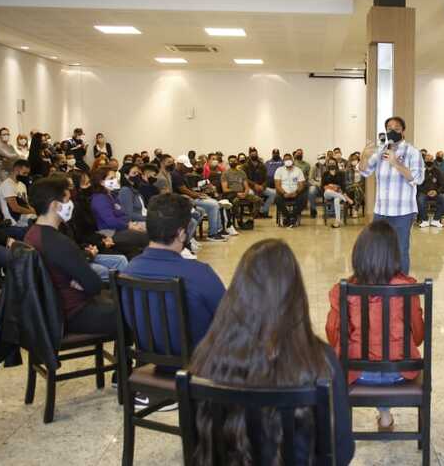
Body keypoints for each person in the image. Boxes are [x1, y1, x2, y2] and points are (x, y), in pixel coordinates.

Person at [188, 239, 354, 466]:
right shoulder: (320, 361)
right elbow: (342, 452)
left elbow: (197, 445)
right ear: (296, 295)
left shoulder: (207, 357)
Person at [325, 221, 424, 434]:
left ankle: (375, 419)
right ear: (394, 254)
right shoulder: (409, 288)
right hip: (401, 371)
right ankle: (385, 416)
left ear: (358, 253)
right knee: (387, 354)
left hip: (358, 373)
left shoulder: (343, 290)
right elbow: (418, 335)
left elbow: (333, 336)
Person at [125, 193, 226, 361]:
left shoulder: (128, 269)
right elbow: (228, 319)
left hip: (150, 360)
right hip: (199, 364)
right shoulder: (199, 273)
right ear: (181, 234)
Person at [25, 176, 117, 336]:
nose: (71, 204)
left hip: (50, 310)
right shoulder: (58, 241)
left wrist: (79, 281)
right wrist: (81, 282)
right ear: (55, 205)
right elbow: (94, 285)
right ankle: (128, 359)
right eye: (67, 200)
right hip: (73, 313)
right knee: (136, 310)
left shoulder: (31, 234)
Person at [358, 116, 424, 274]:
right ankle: (381, 281)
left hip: (403, 212)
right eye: (389, 128)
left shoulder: (412, 152)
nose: (392, 131)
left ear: (403, 131)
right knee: (378, 249)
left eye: (396, 128)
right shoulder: (381, 151)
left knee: (400, 250)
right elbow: (364, 171)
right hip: (381, 211)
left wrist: (396, 163)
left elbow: (417, 178)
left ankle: (401, 287)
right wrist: (364, 156)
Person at [89, 168, 150, 252]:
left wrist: (130, 223)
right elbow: (111, 222)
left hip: (121, 228)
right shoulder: (99, 199)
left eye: (115, 177)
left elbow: (123, 214)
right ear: (102, 182)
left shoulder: (111, 195)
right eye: (111, 178)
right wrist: (129, 225)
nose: (115, 180)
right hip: (109, 232)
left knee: (148, 230)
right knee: (144, 237)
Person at [172, 155, 227, 241]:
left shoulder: (181, 174)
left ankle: (218, 230)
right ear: (179, 164)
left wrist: (199, 193)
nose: (187, 169)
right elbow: (183, 190)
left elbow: (188, 189)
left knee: (216, 203)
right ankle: (212, 234)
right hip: (184, 199)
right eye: (185, 166)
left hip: (190, 197)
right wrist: (197, 195)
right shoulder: (175, 175)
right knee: (213, 205)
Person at [0, 159, 36, 237]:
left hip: (25, 219)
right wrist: (32, 211)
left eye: (27, 174)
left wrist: (33, 210)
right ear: (16, 170)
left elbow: (26, 203)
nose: (26, 176)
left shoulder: (22, 185)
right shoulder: (7, 185)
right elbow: (14, 208)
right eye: (24, 173)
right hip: (14, 222)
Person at [220, 158, 261, 227]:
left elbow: (246, 186)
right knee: (235, 202)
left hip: (243, 193)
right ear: (229, 163)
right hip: (232, 194)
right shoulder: (225, 174)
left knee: (258, 200)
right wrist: (236, 193)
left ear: (237, 162)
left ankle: (251, 219)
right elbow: (225, 189)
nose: (233, 162)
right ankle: (239, 220)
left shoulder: (242, 173)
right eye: (231, 161)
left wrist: (245, 193)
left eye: (234, 161)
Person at [274, 153, 307, 227]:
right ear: (283, 161)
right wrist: (284, 193)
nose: (288, 160)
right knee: (276, 198)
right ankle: (288, 216)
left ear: (292, 160)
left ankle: (292, 216)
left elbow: (302, 184)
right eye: (286, 159)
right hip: (283, 194)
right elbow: (277, 185)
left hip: (296, 193)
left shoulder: (298, 170)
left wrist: (296, 192)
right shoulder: (279, 170)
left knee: (304, 198)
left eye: (289, 159)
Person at [416, 153, 444, 228]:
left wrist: (436, 191)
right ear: (424, 161)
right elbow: (418, 185)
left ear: (433, 160)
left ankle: (436, 220)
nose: (429, 161)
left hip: (436, 193)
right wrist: (427, 192)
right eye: (427, 160)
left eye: (430, 159)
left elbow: (442, 184)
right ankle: (425, 220)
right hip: (424, 193)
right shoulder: (421, 171)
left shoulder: (437, 171)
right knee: (420, 200)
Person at [322, 157, 354, 228]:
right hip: (328, 193)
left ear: (336, 164)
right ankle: (346, 198)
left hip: (338, 191)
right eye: (330, 163)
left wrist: (336, 187)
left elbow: (343, 185)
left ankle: (337, 221)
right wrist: (331, 186)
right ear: (328, 164)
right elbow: (323, 186)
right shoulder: (325, 174)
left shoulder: (341, 173)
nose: (331, 164)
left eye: (333, 163)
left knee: (336, 200)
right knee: (327, 191)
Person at [244, 150, 275, 218]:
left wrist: (263, 186)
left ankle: (262, 211)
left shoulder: (262, 165)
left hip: (261, 187)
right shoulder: (245, 166)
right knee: (251, 194)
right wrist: (254, 185)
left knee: (273, 194)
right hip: (250, 187)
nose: (254, 155)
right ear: (249, 155)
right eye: (252, 154)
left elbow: (266, 178)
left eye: (255, 154)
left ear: (257, 154)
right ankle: (253, 213)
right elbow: (245, 178)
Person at [308, 153, 326, 218]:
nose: (322, 159)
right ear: (318, 159)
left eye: (324, 158)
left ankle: (329, 211)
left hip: (326, 186)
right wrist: (317, 184)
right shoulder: (314, 167)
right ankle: (313, 209)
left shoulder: (328, 167)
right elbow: (310, 179)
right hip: (317, 186)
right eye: (321, 158)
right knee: (311, 191)